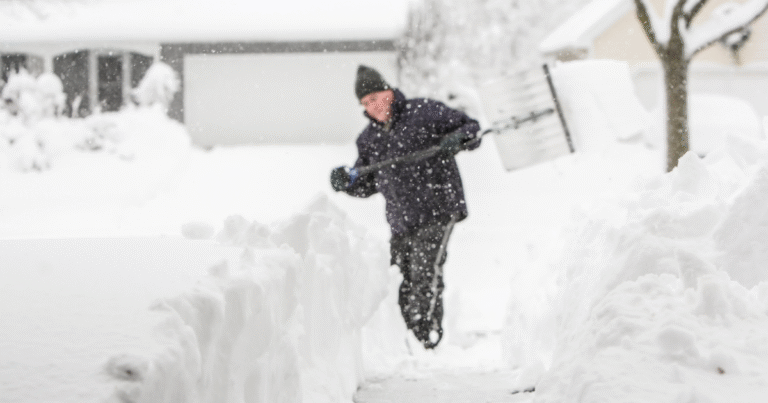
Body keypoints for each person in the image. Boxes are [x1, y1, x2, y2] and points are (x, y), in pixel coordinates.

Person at [330, 65, 481, 349]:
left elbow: (471, 128)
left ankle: (427, 334)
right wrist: (346, 182)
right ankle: (405, 339)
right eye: (365, 103)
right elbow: (367, 182)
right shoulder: (368, 139)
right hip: (401, 219)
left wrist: (456, 139)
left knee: (425, 271)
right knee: (400, 275)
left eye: (374, 98)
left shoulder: (424, 112)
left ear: (388, 91)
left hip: (438, 207)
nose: (371, 107)